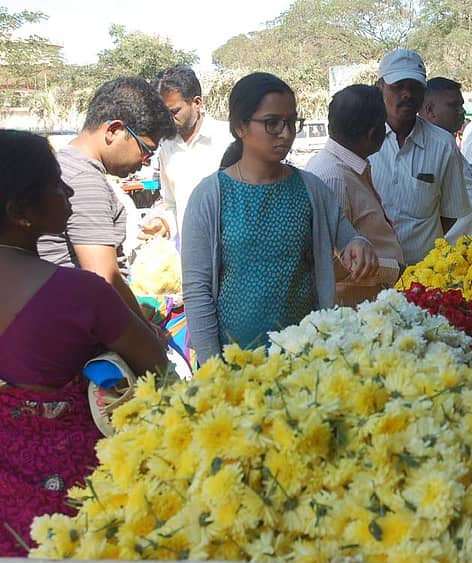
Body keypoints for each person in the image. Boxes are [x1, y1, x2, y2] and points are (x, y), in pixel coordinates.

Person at [0, 130, 168, 556]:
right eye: (56, 183)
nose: (68, 189)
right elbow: (155, 363)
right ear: (21, 211)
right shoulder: (80, 293)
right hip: (70, 499)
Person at [181, 73, 378, 363]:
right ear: (240, 127)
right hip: (235, 365)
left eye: (291, 122)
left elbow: (348, 238)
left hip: (306, 357)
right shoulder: (211, 196)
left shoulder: (311, 189)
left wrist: (359, 245)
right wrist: (213, 368)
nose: (286, 133)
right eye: (272, 123)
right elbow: (197, 291)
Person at [37, 77, 175, 340]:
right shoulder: (85, 181)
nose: (145, 163)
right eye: (146, 150)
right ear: (114, 130)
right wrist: (148, 337)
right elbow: (103, 280)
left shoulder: (68, 165)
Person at [305, 84, 404, 306]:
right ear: (373, 132)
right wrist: (393, 271)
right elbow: (331, 262)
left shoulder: (349, 166)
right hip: (353, 310)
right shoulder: (333, 176)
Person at [369, 49, 470, 265]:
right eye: (398, 86)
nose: (407, 94)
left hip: (423, 276)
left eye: (415, 87)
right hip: (372, 273)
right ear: (380, 88)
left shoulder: (443, 145)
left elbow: (450, 213)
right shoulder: (361, 140)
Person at [142, 66, 232, 242]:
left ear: (197, 102)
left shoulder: (229, 139)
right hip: (191, 257)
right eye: (162, 113)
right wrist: (163, 223)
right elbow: (171, 204)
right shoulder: (166, 148)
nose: (167, 120)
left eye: (174, 112)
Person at [420, 77, 472, 244]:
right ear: (430, 110)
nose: (461, 112)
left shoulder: (446, 144)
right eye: (453, 106)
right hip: (448, 251)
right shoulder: (424, 149)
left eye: (461, 105)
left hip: (470, 247)